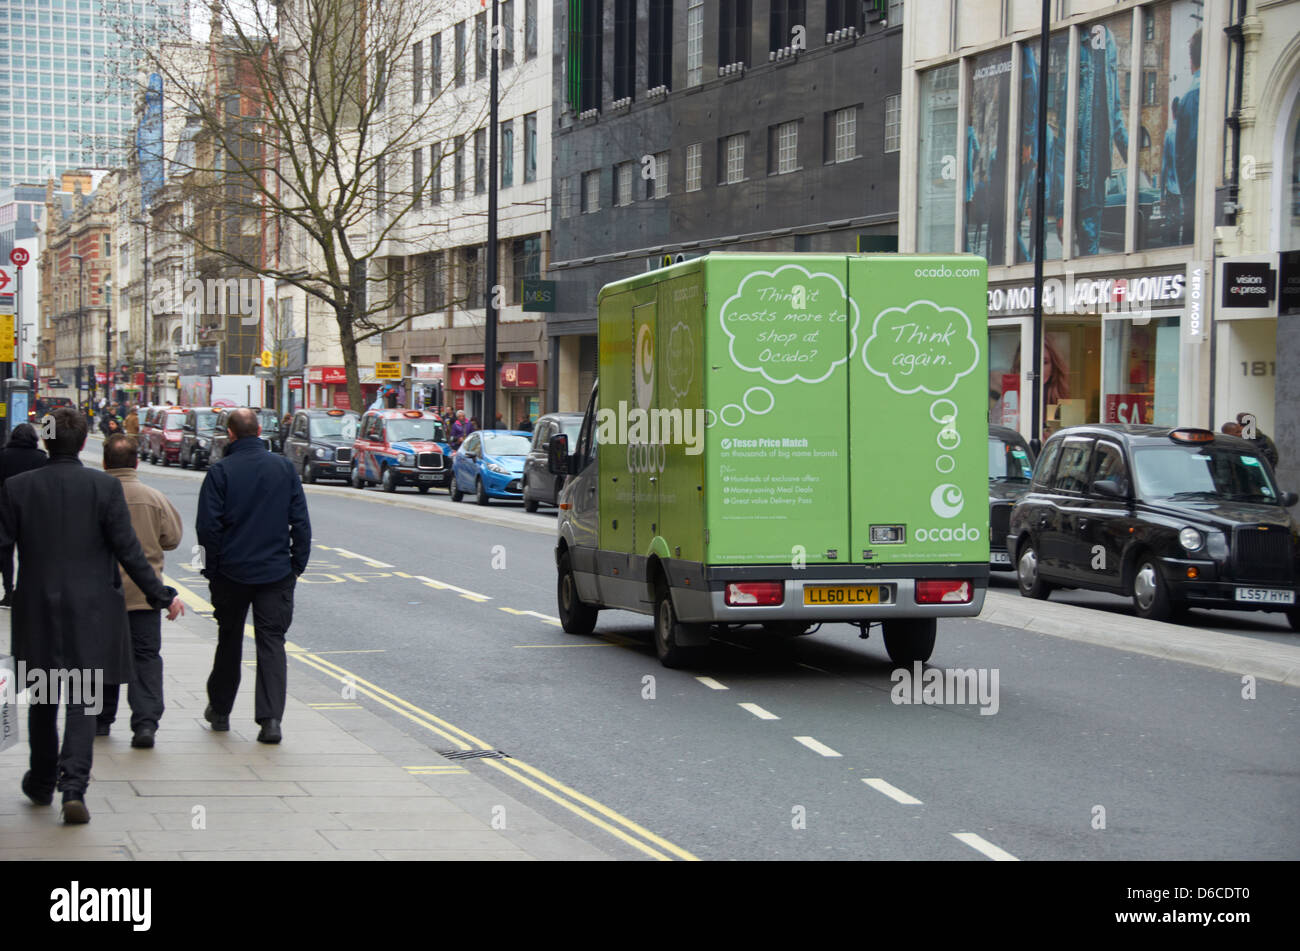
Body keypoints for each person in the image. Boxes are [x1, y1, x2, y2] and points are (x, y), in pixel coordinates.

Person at [0, 408, 182, 823]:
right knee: (82, 700)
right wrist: (160, 594)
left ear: (46, 441)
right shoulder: (103, 488)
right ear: (84, 444)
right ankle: (73, 789)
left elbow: (1, 546)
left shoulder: (17, 487)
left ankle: (42, 780)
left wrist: (10, 585)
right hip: (90, 612)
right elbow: (130, 551)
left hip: (38, 612)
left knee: (44, 700)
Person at [197, 408, 311, 744]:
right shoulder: (283, 468)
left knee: (229, 639)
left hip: (231, 572)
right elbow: (300, 522)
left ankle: (220, 710)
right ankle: (271, 720)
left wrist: (210, 569)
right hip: (275, 572)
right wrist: (296, 566)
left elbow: (207, 528)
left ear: (230, 434)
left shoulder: (220, 472)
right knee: (272, 643)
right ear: (259, 430)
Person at [96, 433, 184, 748]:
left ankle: (100, 720)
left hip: (100, 595)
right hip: (144, 595)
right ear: (137, 462)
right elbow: (172, 538)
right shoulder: (153, 497)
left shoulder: (94, 495)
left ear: (104, 462)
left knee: (99, 657)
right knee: (146, 657)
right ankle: (145, 724)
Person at [0, 423, 48, 606]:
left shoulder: (3, 455)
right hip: (33, 511)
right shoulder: (41, 458)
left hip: (6, 510)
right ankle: (27, 590)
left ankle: (8, 591)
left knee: (6, 552)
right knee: (28, 553)